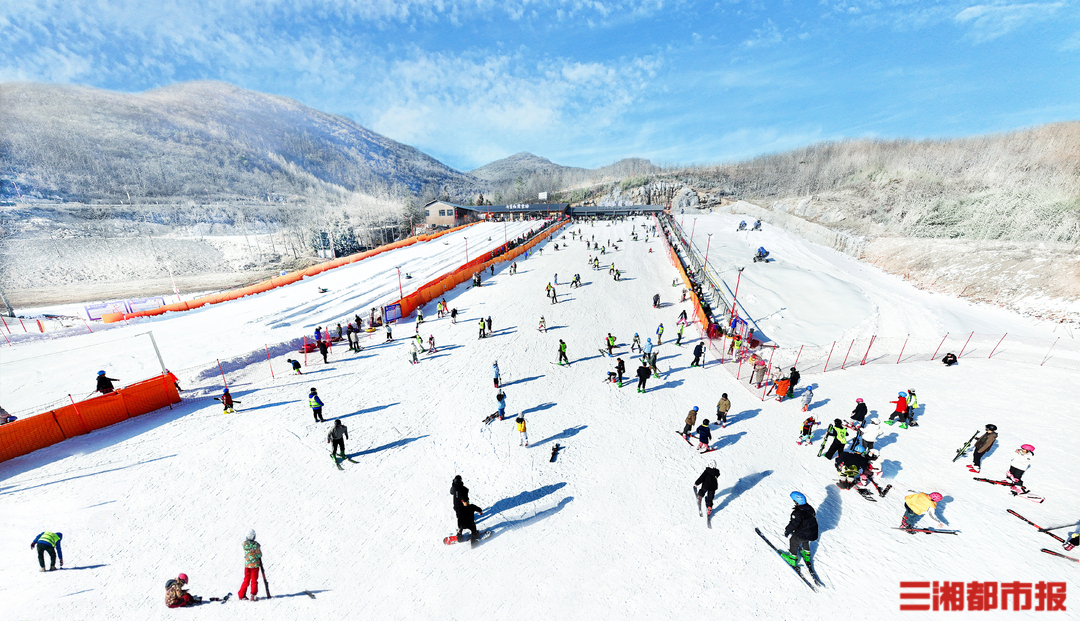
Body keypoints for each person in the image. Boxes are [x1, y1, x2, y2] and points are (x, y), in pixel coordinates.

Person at [781, 492, 819, 567]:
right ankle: (806, 554)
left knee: (793, 541)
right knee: (805, 538)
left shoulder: (797, 513)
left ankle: (792, 559)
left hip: (803, 533)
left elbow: (793, 524)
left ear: (796, 502)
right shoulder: (809, 508)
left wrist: (787, 531)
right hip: (812, 532)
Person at [238, 530, 262, 601]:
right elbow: (259, 554)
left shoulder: (245, 545)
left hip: (247, 566)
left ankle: (241, 595)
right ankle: (253, 595)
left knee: (246, 580)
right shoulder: (256, 545)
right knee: (254, 580)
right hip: (255, 566)